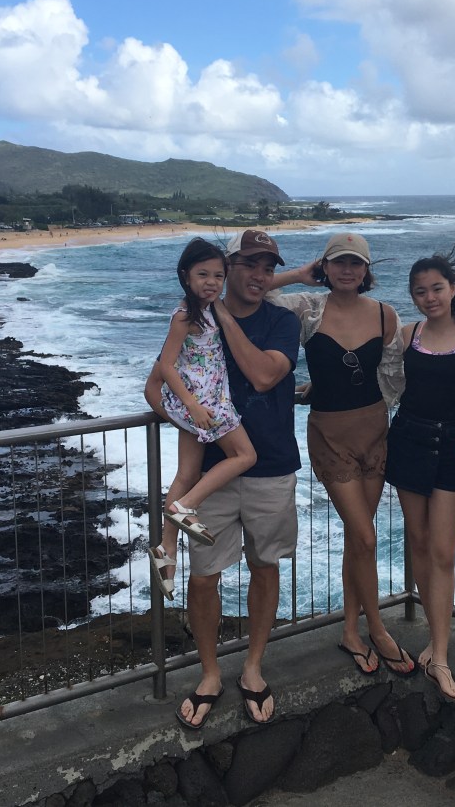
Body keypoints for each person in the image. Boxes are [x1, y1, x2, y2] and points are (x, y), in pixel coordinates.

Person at [145, 229, 300, 728]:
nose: (260, 275)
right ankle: (209, 674)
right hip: (211, 473)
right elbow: (156, 382)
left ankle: (253, 668)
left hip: (271, 467)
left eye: (268, 268)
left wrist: (226, 315)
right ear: (227, 268)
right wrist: (188, 416)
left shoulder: (281, 321)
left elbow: (265, 376)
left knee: (265, 567)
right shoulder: (193, 317)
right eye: (249, 264)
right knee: (204, 577)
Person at [270, 232, 413, 677]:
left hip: (375, 434)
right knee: (366, 538)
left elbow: (393, 376)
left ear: (366, 270)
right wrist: (298, 275)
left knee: (358, 538)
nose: (347, 270)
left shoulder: (385, 314)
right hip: (330, 438)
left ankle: (350, 631)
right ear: (325, 268)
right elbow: (253, 294)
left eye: (355, 263)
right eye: (338, 262)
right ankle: (378, 629)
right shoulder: (306, 309)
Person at [384, 252, 455, 700]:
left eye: (437, 288)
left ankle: (440, 654)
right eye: (420, 291)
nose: (429, 297)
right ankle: (434, 640)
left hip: (451, 447)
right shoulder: (408, 335)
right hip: (408, 439)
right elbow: (381, 380)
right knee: (419, 543)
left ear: (452, 288)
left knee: (443, 551)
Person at [151, 239, 258, 602]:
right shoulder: (185, 315)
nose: (211, 282)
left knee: (186, 474)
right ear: (185, 276)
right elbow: (166, 365)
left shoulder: (210, 308)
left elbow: (259, 283)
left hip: (208, 398)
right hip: (206, 403)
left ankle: (165, 548)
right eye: (202, 275)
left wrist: (299, 276)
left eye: (218, 275)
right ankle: (185, 507)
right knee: (245, 455)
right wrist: (192, 406)